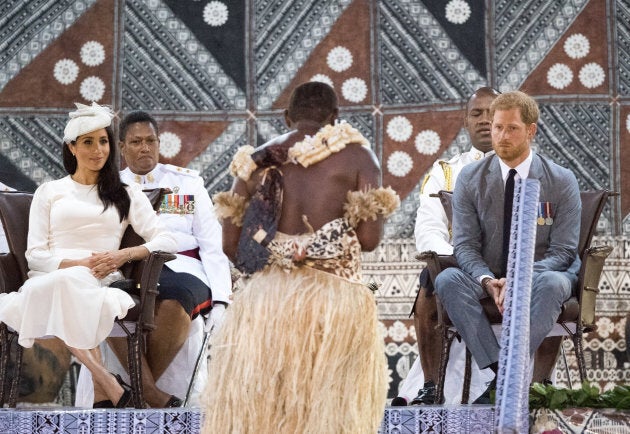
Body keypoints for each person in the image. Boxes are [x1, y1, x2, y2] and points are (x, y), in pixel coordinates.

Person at [202, 82, 399, 433]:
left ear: (287, 117)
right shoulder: (358, 158)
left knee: (263, 413)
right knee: (330, 412)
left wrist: (278, 256)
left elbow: (232, 245)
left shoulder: (256, 161)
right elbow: (369, 239)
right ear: (335, 118)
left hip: (265, 306)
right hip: (333, 306)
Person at [0, 102, 177, 408]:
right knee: (64, 282)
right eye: (88, 142)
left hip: (100, 277)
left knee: (67, 288)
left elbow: (167, 238)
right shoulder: (50, 191)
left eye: (104, 141)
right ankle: (106, 381)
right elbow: (36, 256)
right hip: (54, 273)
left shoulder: (126, 193)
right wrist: (79, 263)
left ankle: (103, 387)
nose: (98, 150)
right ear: (71, 147)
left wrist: (124, 255)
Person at [433, 90, 581, 404]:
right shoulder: (470, 179)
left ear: (531, 130)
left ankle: (504, 378)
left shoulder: (561, 180)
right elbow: (466, 246)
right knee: (446, 280)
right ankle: (503, 373)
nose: (502, 135)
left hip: (542, 275)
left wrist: (518, 279)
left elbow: (564, 251)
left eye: (512, 128)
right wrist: (489, 281)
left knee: (555, 283)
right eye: (498, 127)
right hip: (490, 276)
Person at [116, 110, 232, 407]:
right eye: (136, 141)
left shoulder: (187, 184)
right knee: (106, 302)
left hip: (182, 267)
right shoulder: (110, 188)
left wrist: (221, 300)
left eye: (151, 140)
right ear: (122, 147)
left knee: (175, 299)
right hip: (130, 268)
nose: (145, 147)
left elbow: (212, 244)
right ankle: (150, 395)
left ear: (159, 143)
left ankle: (135, 394)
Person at [395, 87, 500, 406]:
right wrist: (458, 262)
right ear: (466, 121)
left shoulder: (528, 170)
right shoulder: (445, 173)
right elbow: (428, 229)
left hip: (512, 269)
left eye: (492, 113)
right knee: (431, 280)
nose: (485, 120)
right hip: (462, 269)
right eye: (477, 113)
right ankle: (431, 383)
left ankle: (520, 380)